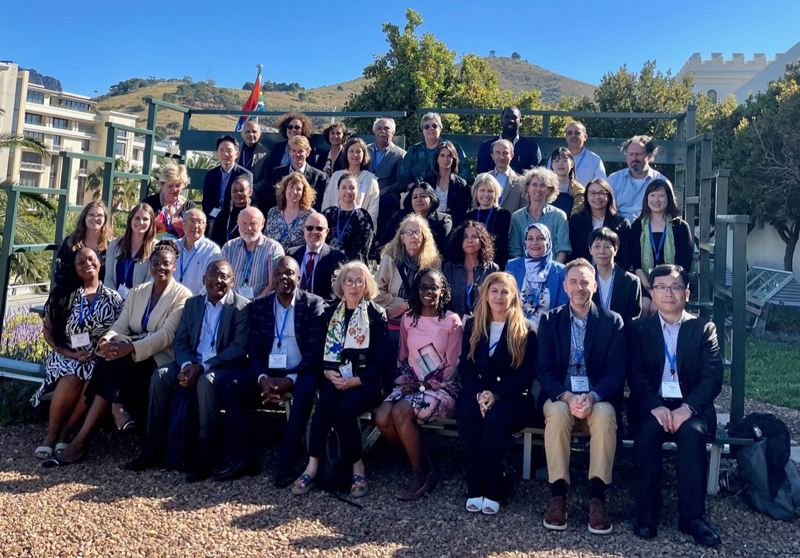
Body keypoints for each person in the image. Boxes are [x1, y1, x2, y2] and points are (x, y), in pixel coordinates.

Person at [44, 241, 192, 466]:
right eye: (155, 263)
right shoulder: (138, 292)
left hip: (158, 357)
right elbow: (120, 326)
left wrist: (129, 348)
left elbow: (166, 335)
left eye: (166, 264)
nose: (160, 268)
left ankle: (82, 440)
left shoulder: (182, 295)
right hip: (128, 353)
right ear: (149, 266)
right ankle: (108, 415)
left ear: (174, 266)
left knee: (110, 366)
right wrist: (106, 342)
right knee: (108, 360)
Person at [125, 260, 250, 482]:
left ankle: (206, 450)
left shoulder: (241, 307)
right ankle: (154, 444)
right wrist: (186, 365)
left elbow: (238, 349)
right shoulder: (192, 304)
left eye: (223, 277)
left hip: (221, 367)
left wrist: (202, 367)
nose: (217, 281)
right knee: (161, 376)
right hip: (191, 361)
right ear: (203, 280)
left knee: (206, 381)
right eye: (212, 276)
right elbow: (181, 341)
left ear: (233, 281)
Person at [628, 264, 723, 546]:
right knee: (646, 433)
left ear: (687, 292)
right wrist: (654, 406)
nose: (669, 293)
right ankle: (647, 513)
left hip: (691, 408)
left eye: (676, 287)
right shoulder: (638, 329)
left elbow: (712, 377)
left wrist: (687, 408)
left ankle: (692, 518)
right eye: (661, 287)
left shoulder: (703, 328)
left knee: (692, 434)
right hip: (652, 406)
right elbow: (635, 374)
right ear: (652, 293)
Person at [216, 257, 327, 485]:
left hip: (302, 372)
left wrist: (290, 378)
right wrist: (262, 378)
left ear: (299, 277)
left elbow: (315, 352)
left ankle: (286, 464)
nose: (282, 278)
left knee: (304, 393)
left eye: (288, 273)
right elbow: (254, 348)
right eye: (277, 273)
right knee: (230, 385)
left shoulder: (313, 304)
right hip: (268, 373)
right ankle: (243, 459)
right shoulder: (260, 305)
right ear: (271, 278)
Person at [536, 258, 627, 535]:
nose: (579, 287)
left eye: (585, 282)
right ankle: (558, 495)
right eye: (573, 282)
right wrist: (565, 396)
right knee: (557, 412)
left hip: (596, 399)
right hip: (561, 397)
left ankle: (597, 497)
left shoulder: (612, 322)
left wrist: (593, 396)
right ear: (564, 286)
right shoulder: (550, 320)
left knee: (605, 416)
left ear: (595, 286)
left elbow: (617, 372)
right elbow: (543, 369)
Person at [292, 262, 388, 498]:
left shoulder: (376, 315)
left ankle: (358, 467)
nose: (354, 286)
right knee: (323, 407)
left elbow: (381, 361)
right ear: (341, 284)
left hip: (366, 381)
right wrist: (327, 371)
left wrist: (358, 380)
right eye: (349, 280)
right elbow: (317, 352)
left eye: (359, 281)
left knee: (344, 411)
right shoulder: (327, 314)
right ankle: (312, 466)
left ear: (366, 285)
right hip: (335, 377)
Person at [375, 268, 463, 500]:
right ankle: (425, 461)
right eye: (423, 287)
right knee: (382, 417)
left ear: (442, 291)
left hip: (443, 390)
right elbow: (403, 359)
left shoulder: (452, 321)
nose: (428, 291)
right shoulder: (408, 319)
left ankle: (419, 474)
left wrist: (424, 386)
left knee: (401, 411)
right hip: (411, 384)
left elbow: (453, 367)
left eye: (433, 287)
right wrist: (405, 382)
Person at [456, 271, 537, 515]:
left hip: (513, 398)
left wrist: (496, 394)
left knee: (494, 419)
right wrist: (481, 393)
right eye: (494, 291)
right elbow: (466, 366)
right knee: (468, 414)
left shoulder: (527, 330)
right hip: (477, 394)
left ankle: (494, 487)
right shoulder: (472, 325)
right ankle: (474, 487)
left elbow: (525, 376)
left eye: (505, 292)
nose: (499, 296)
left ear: (513, 296)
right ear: (486, 295)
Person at [31, 248, 124, 458]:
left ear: (99, 263)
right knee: (73, 376)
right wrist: (72, 354)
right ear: (74, 267)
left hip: (96, 356)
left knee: (93, 378)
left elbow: (121, 331)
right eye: (80, 261)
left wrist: (101, 348)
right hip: (65, 353)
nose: (87, 264)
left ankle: (65, 433)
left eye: (91, 259)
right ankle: (51, 434)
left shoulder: (113, 298)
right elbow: (48, 334)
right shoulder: (64, 294)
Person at [630, 179, 693, 316]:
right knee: (643, 307)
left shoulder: (680, 227)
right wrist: (648, 284)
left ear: (668, 198)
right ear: (646, 198)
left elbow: (685, 264)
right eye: (652, 195)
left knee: (656, 308)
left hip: (671, 282)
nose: (656, 200)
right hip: (644, 281)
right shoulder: (637, 226)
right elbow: (635, 262)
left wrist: (664, 284)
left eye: (661, 195)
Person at [375, 214, 442, 329]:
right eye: (409, 232)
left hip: (423, 321)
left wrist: (407, 305)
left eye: (418, 233)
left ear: (424, 237)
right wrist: (396, 303)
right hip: (394, 319)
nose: (414, 236)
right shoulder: (390, 259)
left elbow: (436, 293)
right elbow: (376, 292)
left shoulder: (433, 262)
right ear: (402, 237)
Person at [506, 223, 568, 330]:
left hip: (549, 330)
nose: (534, 243)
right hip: (517, 329)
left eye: (540, 238)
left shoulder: (561, 271)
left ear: (548, 241)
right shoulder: (512, 266)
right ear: (525, 242)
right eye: (530, 238)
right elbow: (507, 300)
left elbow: (562, 307)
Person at [394, 113, 471, 191]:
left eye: (434, 126)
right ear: (422, 130)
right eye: (426, 127)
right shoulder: (413, 150)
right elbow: (403, 176)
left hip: (449, 191)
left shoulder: (453, 147)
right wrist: (414, 187)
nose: (431, 128)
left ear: (440, 128)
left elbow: (465, 174)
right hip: (418, 193)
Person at [221, 207, 285, 300]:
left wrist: (254, 304)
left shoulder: (273, 248)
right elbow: (223, 280)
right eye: (244, 224)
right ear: (237, 223)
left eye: (252, 223)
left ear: (262, 223)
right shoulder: (229, 247)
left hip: (260, 306)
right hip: (232, 305)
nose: (248, 228)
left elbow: (273, 284)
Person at [568, 178, 632, 270]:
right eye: (593, 193)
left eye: (602, 193)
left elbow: (626, 256)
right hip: (583, 273)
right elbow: (572, 253)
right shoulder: (576, 221)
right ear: (586, 197)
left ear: (609, 196)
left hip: (613, 274)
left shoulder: (622, 224)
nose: (597, 197)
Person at [509, 168, 571, 262]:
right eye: (534, 184)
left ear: (549, 189)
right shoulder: (517, 217)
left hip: (551, 271)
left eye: (543, 185)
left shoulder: (559, 216)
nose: (538, 189)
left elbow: (562, 250)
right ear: (527, 188)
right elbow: (515, 251)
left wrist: (552, 273)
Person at [607, 136, 670, 222]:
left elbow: (670, 212)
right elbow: (606, 209)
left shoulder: (662, 181)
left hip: (649, 229)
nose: (634, 158)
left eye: (639, 154)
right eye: (631, 154)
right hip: (619, 229)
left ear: (650, 155)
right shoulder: (614, 179)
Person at [381, 182, 452, 259]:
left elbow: (441, 248)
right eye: (415, 197)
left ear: (432, 199)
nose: (418, 200)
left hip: (432, 261)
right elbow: (387, 240)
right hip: (402, 259)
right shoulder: (401, 217)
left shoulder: (444, 220)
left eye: (423, 196)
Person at [287, 212, 346, 303]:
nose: (314, 232)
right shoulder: (291, 254)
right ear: (304, 230)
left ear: (326, 232)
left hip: (321, 311)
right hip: (293, 309)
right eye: (310, 228)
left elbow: (336, 294)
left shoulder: (337, 258)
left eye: (319, 228)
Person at [443, 221, 499, 317]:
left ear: (482, 241)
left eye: (474, 236)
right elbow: (444, 300)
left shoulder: (492, 269)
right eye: (465, 237)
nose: (470, 240)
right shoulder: (450, 268)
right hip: (454, 323)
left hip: (483, 324)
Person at [324, 137, 380, 228]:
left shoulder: (371, 180)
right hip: (335, 226)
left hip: (360, 228)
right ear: (346, 153)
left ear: (364, 154)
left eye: (358, 151)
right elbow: (327, 201)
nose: (355, 154)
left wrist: (364, 226)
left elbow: (373, 209)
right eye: (351, 151)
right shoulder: (336, 176)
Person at [105, 203, 157, 299]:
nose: (140, 222)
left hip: (139, 303)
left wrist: (131, 302)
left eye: (145, 219)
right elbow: (108, 277)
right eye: (137, 218)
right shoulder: (114, 245)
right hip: (114, 302)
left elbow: (150, 281)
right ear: (130, 220)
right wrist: (114, 298)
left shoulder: (155, 247)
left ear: (151, 222)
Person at [589, 228, 641, 323]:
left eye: (607, 246)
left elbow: (633, 317)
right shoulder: (585, 278)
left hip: (621, 333)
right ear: (590, 250)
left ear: (615, 250)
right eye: (597, 246)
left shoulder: (631, 281)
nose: (601, 251)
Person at [53, 201, 113, 285]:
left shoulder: (111, 245)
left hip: (100, 294)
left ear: (105, 219)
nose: (95, 218)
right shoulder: (71, 242)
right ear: (84, 218)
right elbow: (59, 272)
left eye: (100, 215)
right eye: (91, 215)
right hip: (71, 292)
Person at [321, 172, 375, 262]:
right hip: (328, 262)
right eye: (344, 188)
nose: (348, 192)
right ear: (338, 189)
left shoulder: (363, 217)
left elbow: (362, 250)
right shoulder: (328, 213)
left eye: (352, 188)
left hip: (352, 267)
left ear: (357, 190)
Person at [368, 118, 407, 241]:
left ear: (393, 132)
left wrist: (385, 190)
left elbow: (402, 181)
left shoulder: (400, 154)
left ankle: (382, 241)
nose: (382, 131)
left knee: (388, 201)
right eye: (379, 128)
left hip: (387, 194)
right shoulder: (364, 150)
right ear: (374, 132)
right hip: (365, 191)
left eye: (386, 128)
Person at [264, 135, 327, 213]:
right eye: (293, 151)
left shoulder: (319, 176)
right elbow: (271, 199)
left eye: (300, 151)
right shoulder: (277, 173)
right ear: (289, 152)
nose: (297, 154)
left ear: (307, 153)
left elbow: (318, 204)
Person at [202, 135, 252, 226]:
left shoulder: (245, 175)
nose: (225, 154)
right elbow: (206, 201)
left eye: (229, 150)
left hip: (235, 218)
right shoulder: (211, 174)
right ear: (217, 154)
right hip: (213, 218)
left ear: (237, 154)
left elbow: (247, 201)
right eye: (221, 150)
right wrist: (210, 220)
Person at [476, 106, 542, 174]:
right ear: (501, 120)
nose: (510, 120)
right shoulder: (486, 147)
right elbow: (481, 175)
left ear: (520, 121)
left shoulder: (532, 147)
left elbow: (535, 176)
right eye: (507, 117)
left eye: (514, 117)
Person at [466, 173, 512, 269]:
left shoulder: (503, 214)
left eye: (490, 191)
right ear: (476, 192)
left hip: (495, 265)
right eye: (482, 190)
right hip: (472, 265)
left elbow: (501, 244)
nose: (486, 195)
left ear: (496, 193)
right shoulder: (469, 215)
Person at [173, 209, 222, 296]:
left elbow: (210, 284)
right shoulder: (173, 247)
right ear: (183, 224)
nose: (195, 226)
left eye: (200, 222)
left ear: (205, 227)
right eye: (191, 221)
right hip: (170, 300)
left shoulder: (212, 251)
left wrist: (193, 303)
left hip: (196, 303)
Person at [143, 163, 197, 239]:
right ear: (162, 185)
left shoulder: (190, 208)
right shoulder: (149, 203)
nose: (174, 190)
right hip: (153, 248)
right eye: (170, 186)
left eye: (178, 186)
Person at [264, 173, 316, 251]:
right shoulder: (273, 212)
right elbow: (265, 239)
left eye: (298, 189)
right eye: (291, 187)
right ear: (285, 190)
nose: (294, 192)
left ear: (303, 193)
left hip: (297, 261)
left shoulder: (310, 215)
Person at [547, 121, 606, 189]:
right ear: (566, 137)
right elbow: (548, 180)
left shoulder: (595, 160)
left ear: (585, 137)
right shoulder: (555, 157)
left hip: (585, 197)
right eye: (569, 133)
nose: (573, 136)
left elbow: (601, 184)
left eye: (577, 133)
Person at [428, 141, 472, 227]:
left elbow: (463, 212)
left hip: (453, 226)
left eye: (449, 156)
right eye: (442, 155)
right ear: (437, 159)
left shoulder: (461, 184)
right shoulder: (428, 182)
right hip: (430, 225)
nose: (445, 159)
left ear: (453, 159)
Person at [264, 112, 317, 180]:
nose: (293, 130)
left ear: (302, 130)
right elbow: (269, 171)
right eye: (290, 127)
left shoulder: (310, 149)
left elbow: (311, 172)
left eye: (297, 127)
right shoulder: (277, 148)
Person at [486, 139, 528, 213]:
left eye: (505, 153)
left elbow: (524, 210)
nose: (501, 157)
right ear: (492, 155)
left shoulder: (522, 182)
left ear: (512, 155)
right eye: (498, 153)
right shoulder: (482, 180)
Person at [208, 176, 252, 247]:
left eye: (242, 190)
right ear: (230, 192)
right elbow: (215, 241)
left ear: (250, 192)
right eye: (235, 190)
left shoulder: (253, 215)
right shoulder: (222, 215)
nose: (238, 193)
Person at [550, 147, 585, 217]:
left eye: (565, 160)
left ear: (572, 164)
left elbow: (577, 212)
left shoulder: (578, 189)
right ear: (552, 165)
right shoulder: (545, 186)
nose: (561, 164)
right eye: (556, 161)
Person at [237, 120, 269, 194]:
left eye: (254, 132)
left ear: (260, 134)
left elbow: (266, 179)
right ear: (242, 134)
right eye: (247, 132)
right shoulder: (235, 150)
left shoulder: (266, 153)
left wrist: (250, 189)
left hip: (255, 193)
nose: (251, 134)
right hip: (235, 192)